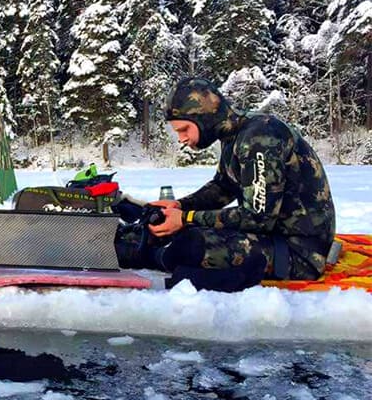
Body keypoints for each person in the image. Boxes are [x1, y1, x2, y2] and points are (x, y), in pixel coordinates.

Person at [115, 77, 335, 292]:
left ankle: (145, 256)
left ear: (204, 118)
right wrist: (180, 207)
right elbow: (222, 187)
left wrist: (185, 218)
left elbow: (258, 218)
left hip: (299, 252)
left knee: (192, 244)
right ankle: (128, 244)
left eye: (184, 129)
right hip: (272, 235)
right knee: (168, 231)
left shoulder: (260, 138)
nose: (182, 139)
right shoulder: (235, 135)